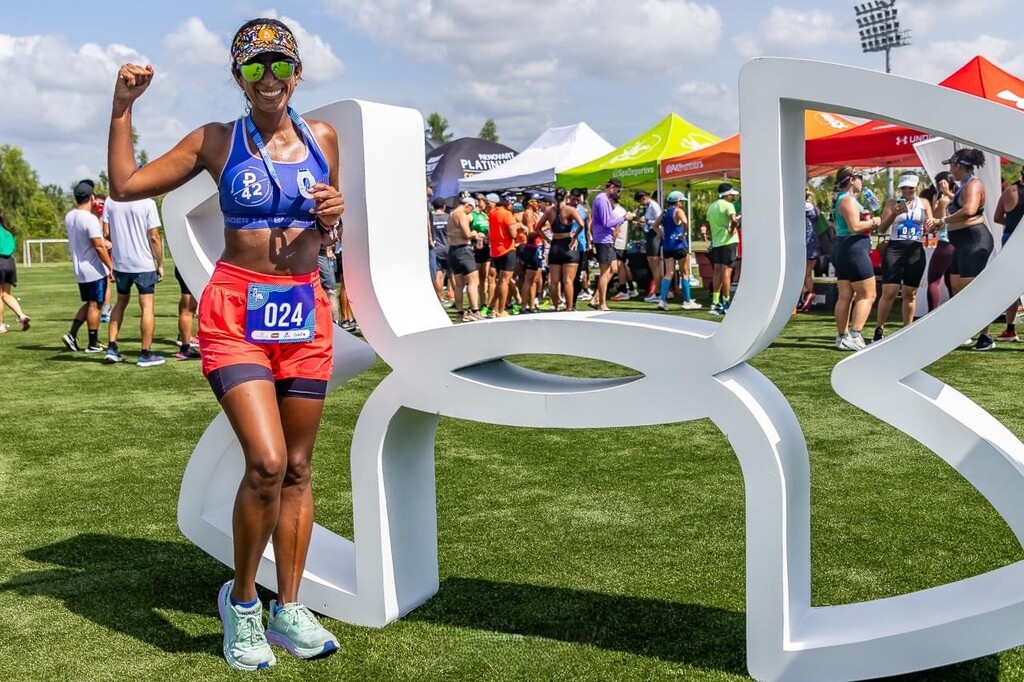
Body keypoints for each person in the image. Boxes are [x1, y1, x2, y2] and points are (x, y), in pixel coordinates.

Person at [109, 18, 344, 669]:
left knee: (297, 468)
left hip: (301, 312)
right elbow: (125, 187)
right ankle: (242, 604)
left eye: (279, 65)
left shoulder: (323, 139)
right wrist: (123, 107)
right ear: (238, 77)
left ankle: (289, 608)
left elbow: (325, 233)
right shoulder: (216, 140)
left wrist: (332, 215)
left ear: (297, 72)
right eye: (254, 67)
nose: (268, 77)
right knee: (266, 462)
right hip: (236, 313)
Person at [926, 148, 995, 351]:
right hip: (962, 242)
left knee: (972, 290)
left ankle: (985, 336)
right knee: (956, 286)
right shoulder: (964, 185)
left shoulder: (974, 183)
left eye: (951, 166)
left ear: (958, 165)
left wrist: (942, 220)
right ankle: (962, 331)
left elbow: (969, 210)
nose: (949, 170)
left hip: (974, 241)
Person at [101, 196, 166, 367]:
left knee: (120, 302)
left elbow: (106, 233)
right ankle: (145, 353)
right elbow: (154, 237)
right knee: (147, 306)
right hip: (143, 263)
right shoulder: (148, 203)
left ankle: (112, 347)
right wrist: (159, 264)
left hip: (121, 263)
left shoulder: (110, 201)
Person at [872, 173, 932, 341]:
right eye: (904, 188)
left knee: (910, 293)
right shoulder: (892, 202)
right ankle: (879, 328)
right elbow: (882, 229)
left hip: (915, 248)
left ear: (916, 187)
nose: (907, 191)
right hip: (895, 248)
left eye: (910, 188)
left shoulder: (924, 203)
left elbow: (931, 226)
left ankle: (907, 330)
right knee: (889, 291)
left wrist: (931, 223)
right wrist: (894, 214)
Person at [831, 167, 881, 351]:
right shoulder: (848, 200)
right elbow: (855, 226)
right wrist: (874, 222)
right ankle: (854, 335)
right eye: (860, 178)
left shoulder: (842, 199)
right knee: (868, 294)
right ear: (852, 179)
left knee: (846, 295)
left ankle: (842, 337)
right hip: (853, 248)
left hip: (843, 248)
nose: (862, 181)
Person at [62, 180, 114, 353]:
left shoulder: (70, 216)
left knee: (89, 303)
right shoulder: (89, 219)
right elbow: (98, 246)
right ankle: (93, 343)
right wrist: (111, 266)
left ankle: (72, 334)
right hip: (93, 268)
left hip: (80, 267)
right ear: (92, 197)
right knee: (95, 305)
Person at [588, 178, 634, 311]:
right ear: (612, 187)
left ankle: (596, 298)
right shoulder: (602, 199)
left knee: (614, 269)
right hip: (603, 240)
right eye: (618, 191)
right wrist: (624, 218)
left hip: (607, 239)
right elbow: (607, 223)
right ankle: (601, 303)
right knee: (605, 272)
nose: (618, 194)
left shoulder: (605, 199)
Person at [536, 187, 585, 311]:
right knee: (568, 281)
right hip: (568, 245)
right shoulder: (570, 210)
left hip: (555, 245)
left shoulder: (549, 211)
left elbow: (537, 228)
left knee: (554, 281)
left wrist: (546, 240)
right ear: (566, 197)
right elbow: (581, 224)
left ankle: (556, 307)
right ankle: (569, 308)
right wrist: (574, 237)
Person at [993, 167, 1024, 341]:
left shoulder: (1010, 191)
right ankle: (1010, 329)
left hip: (1010, 239)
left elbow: (997, 218)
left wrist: (1013, 223)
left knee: (1011, 286)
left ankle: (1010, 328)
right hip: (1014, 239)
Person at [656, 190, 701, 311]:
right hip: (679, 246)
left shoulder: (664, 213)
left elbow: (655, 225)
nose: (682, 203)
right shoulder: (678, 211)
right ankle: (687, 301)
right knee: (684, 273)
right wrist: (682, 233)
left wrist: (662, 235)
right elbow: (686, 222)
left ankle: (662, 300)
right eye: (681, 201)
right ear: (677, 202)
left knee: (668, 273)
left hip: (667, 246)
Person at [922, 171, 956, 313]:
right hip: (956, 243)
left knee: (934, 282)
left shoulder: (944, 200)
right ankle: (956, 313)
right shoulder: (956, 197)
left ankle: (932, 315)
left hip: (945, 243)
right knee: (951, 283)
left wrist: (937, 204)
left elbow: (936, 222)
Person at [706, 183, 741, 315]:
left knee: (717, 272)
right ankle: (726, 302)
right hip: (728, 242)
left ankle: (715, 303)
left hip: (716, 243)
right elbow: (733, 220)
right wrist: (732, 229)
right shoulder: (729, 205)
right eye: (731, 194)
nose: (732, 197)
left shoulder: (711, 207)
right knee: (727, 273)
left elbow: (709, 225)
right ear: (727, 195)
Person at [448, 196, 483, 321]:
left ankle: (460, 313)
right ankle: (474, 311)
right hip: (463, 250)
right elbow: (467, 234)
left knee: (459, 284)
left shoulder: (451, 214)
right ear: (468, 205)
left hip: (453, 250)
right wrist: (475, 233)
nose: (470, 213)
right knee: (473, 281)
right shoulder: (461, 214)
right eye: (471, 209)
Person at [0, 210, 30, 333]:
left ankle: (0, 325)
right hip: (10, 263)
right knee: (6, 294)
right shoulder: (8, 233)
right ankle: (21, 316)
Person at [635, 190, 663, 302]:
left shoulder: (654, 206)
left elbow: (659, 221)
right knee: (651, 263)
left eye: (641, 201)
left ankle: (659, 292)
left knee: (655, 264)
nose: (641, 204)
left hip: (655, 234)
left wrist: (647, 220)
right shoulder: (648, 207)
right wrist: (642, 223)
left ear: (645, 198)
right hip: (650, 234)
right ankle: (657, 291)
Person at [798, 190, 821, 313]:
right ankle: (807, 300)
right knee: (807, 275)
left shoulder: (797, 208)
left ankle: (806, 294)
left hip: (803, 245)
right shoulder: (814, 209)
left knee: (796, 274)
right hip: (813, 244)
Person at [173, 266, 202, 359]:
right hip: (190, 268)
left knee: (187, 307)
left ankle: (185, 339)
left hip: (188, 267)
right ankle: (185, 348)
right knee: (188, 309)